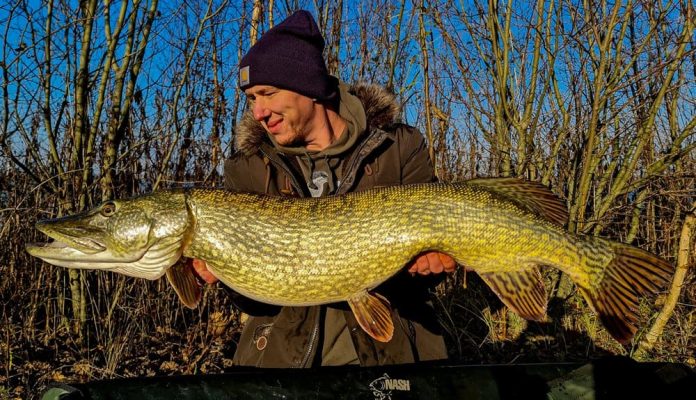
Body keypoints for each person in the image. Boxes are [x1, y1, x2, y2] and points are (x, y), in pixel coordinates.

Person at [192, 10, 456, 368]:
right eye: (251, 98)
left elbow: (422, 283)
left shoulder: (398, 148)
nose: (258, 112)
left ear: (309, 88)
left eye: (267, 93)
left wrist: (430, 266)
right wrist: (225, 275)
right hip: (284, 362)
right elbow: (257, 304)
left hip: (393, 357)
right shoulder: (248, 168)